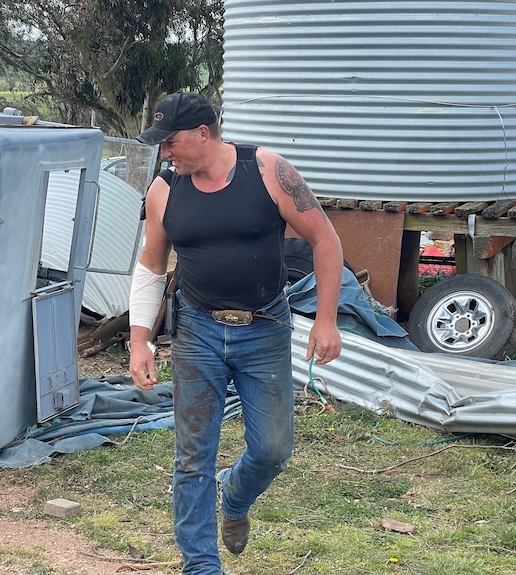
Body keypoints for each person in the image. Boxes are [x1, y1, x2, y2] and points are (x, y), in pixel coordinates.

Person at [127, 90, 344, 575]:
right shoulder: (164, 191)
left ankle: (236, 493)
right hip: (197, 332)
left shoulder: (267, 171)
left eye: (171, 142)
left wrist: (326, 319)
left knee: (272, 449)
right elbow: (151, 266)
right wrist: (139, 339)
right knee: (192, 456)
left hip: (264, 329)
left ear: (203, 134)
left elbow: (325, 238)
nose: (165, 152)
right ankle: (200, 565)